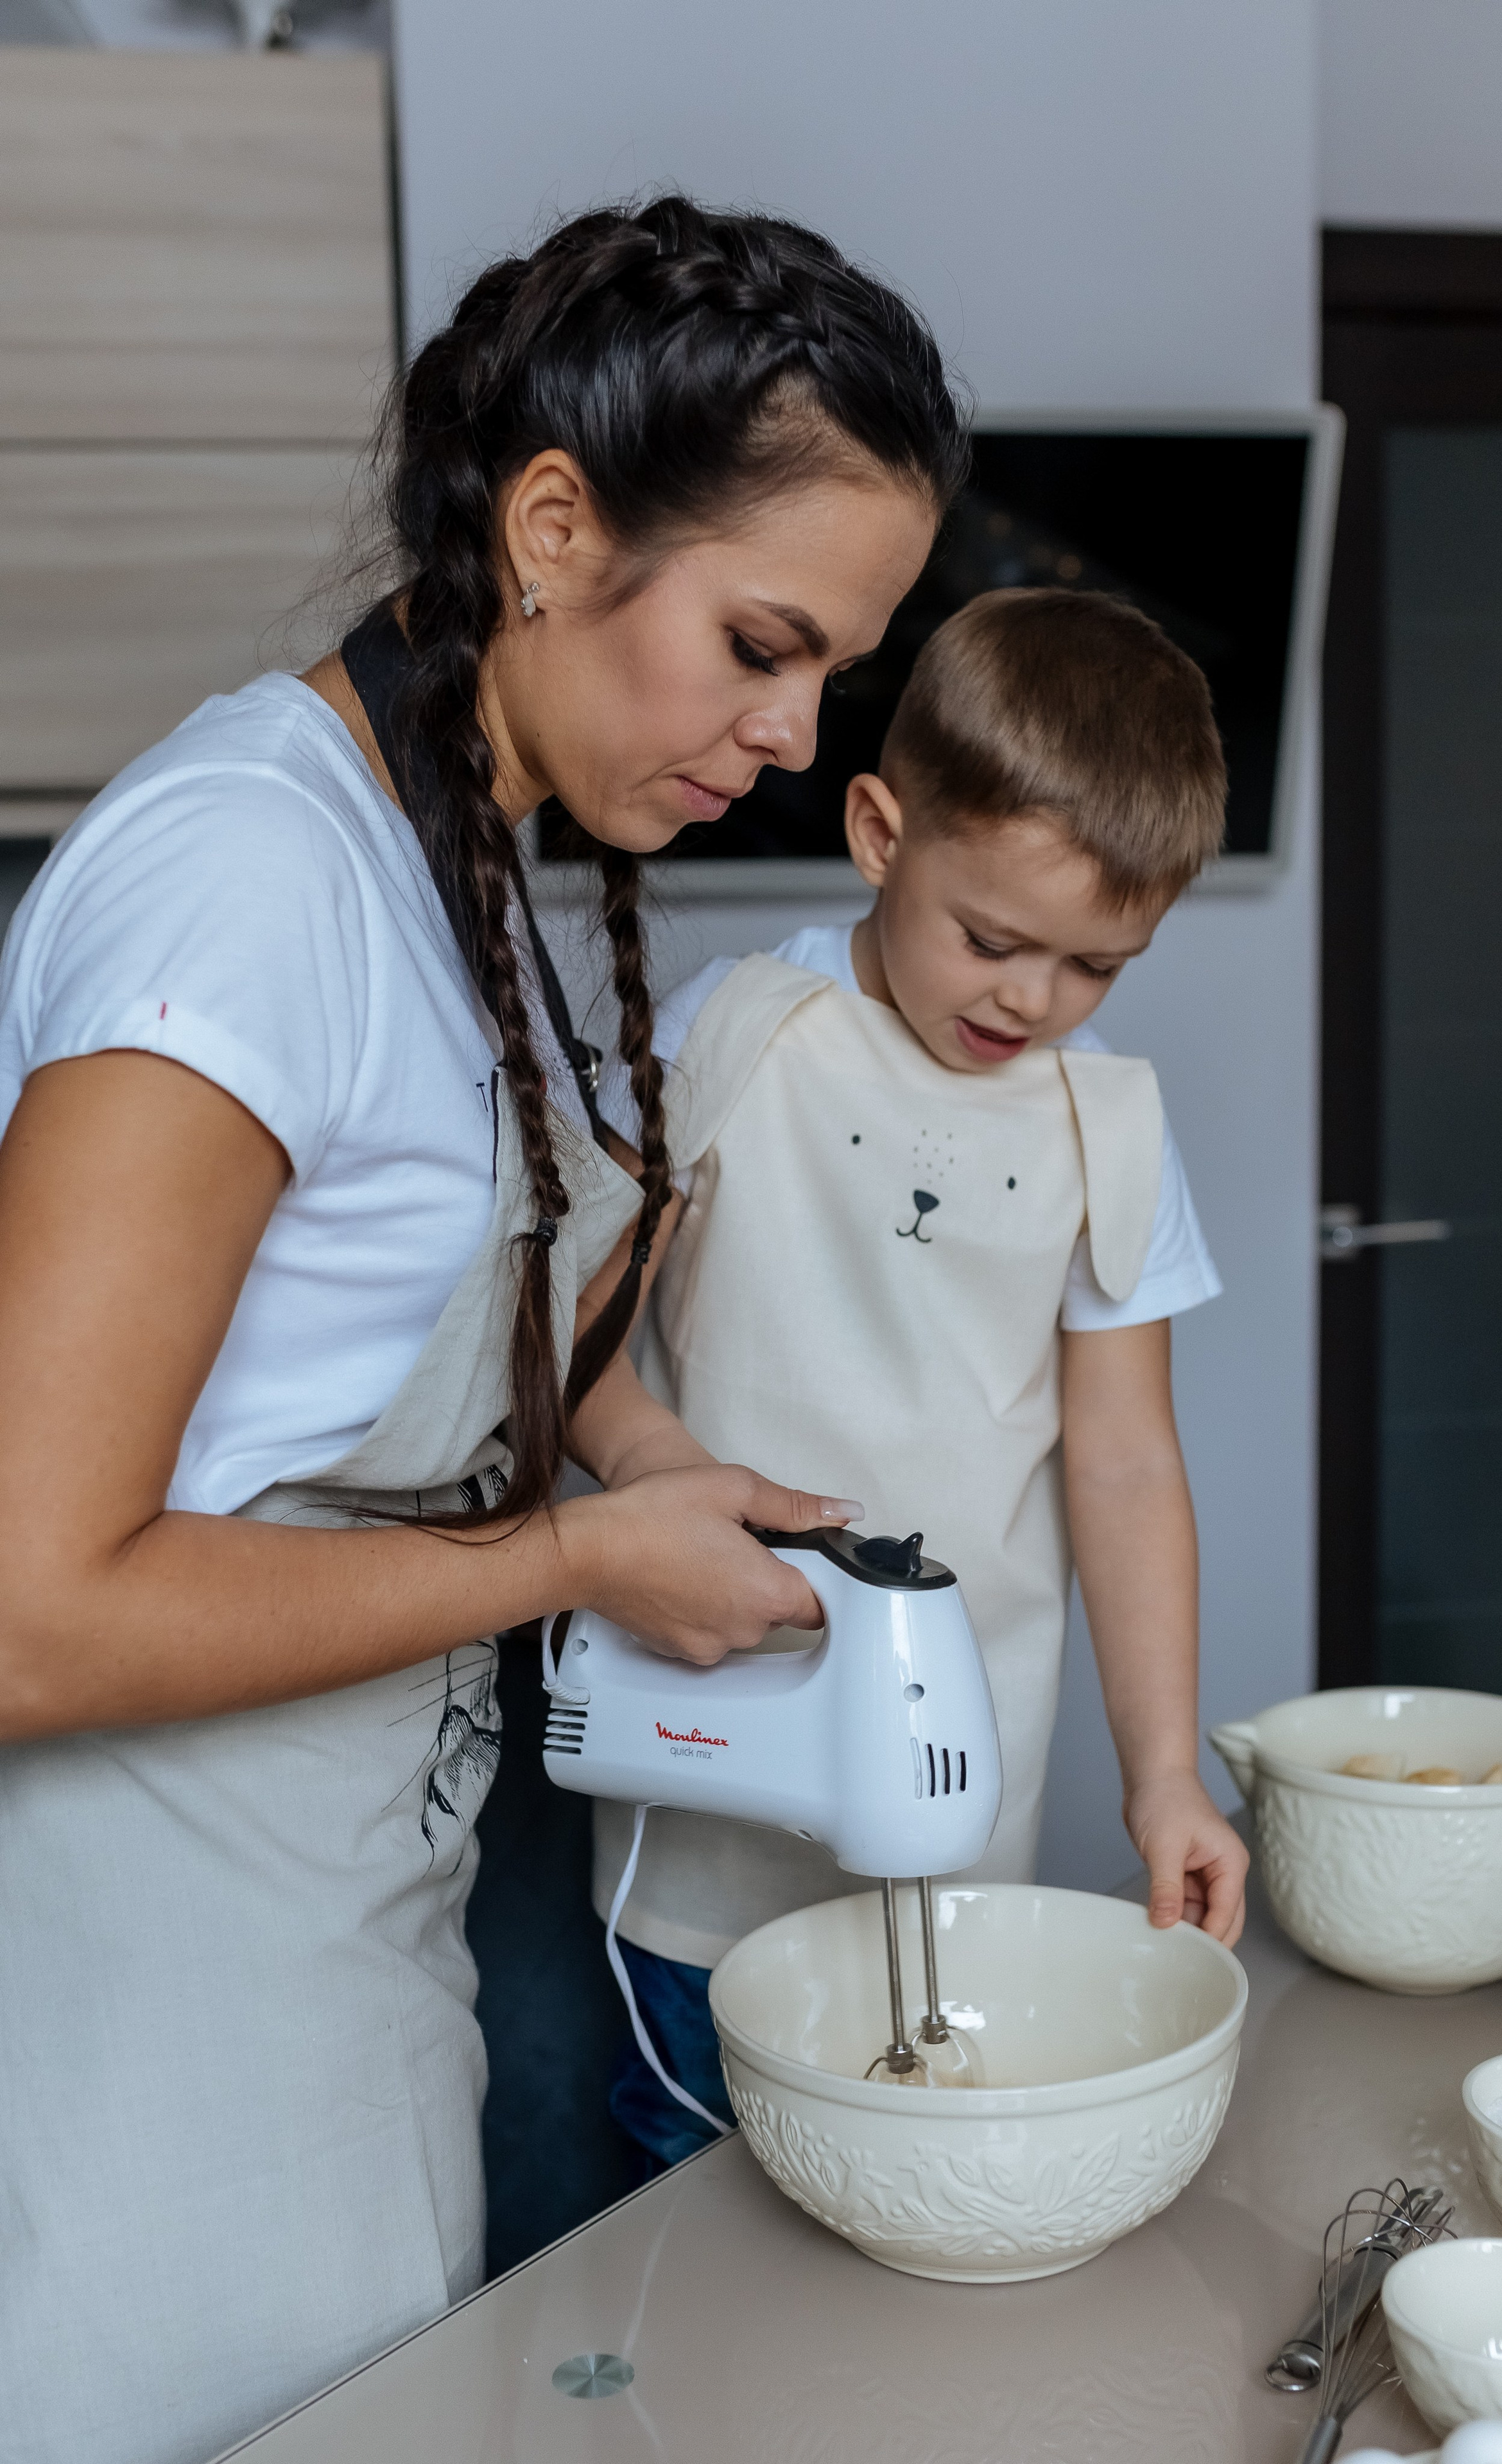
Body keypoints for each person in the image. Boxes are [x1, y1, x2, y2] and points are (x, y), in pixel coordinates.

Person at [0, 197, 966, 2464]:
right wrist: (574, 1559)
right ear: (552, 529)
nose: (791, 735)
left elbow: (406, 1330)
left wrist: (641, 1458)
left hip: (358, 1892)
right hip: (156, 1950)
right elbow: (29, 1611)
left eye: (829, 673)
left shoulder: (450, 859)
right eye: (758, 645)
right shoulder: (247, 881)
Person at [594, 586, 1250, 2171]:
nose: (1030, 1001)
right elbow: (572, 1349)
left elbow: (1123, 1467)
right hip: (714, 1747)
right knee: (697, 2180)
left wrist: (1165, 1775)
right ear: (880, 834)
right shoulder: (733, 1037)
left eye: (1093, 966)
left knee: (910, 2158)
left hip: (958, 1783)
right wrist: (651, 1474)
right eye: (992, 941)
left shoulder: (1107, 1129)